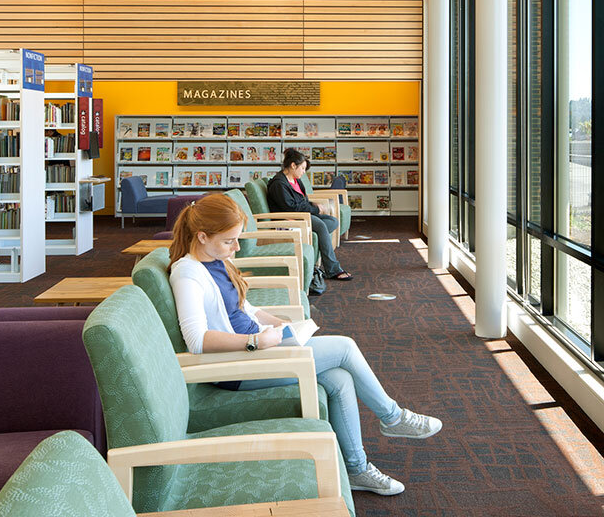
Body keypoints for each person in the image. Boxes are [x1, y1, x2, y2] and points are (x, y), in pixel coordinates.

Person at [167, 193, 441, 496]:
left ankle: (357, 470)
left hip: (258, 347)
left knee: (339, 379)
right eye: (229, 240)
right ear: (202, 236)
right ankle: (392, 417)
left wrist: (274, 322)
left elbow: (241, 308)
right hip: (238, 366)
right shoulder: (188, 272)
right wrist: (255, 341)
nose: (236, 247)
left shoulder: (216, 259)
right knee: (345, 347)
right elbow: (197, 340)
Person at [268, 148, 349, 281]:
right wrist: (315, 209)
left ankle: (314, 238)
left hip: (302, 214)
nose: (304, 172)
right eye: (302, 168)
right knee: (322, 227)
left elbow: (302, 201)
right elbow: (291, 208)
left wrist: (313, 205)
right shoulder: (279, 184)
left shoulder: (296, 180)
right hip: (290, 218)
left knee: (333, 221)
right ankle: (333, 269)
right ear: (293, 165)